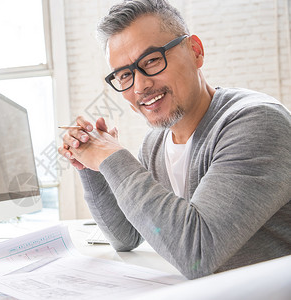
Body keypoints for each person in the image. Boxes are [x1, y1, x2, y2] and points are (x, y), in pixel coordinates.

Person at [58, 0, 291, 279]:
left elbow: (197, 254)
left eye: (152, 60)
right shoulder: (155, 143)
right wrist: (94, 167)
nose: (141, 85)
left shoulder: (257, 123)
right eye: (125, 75)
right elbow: (126, 236)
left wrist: (112, 158)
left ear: (195, 52)